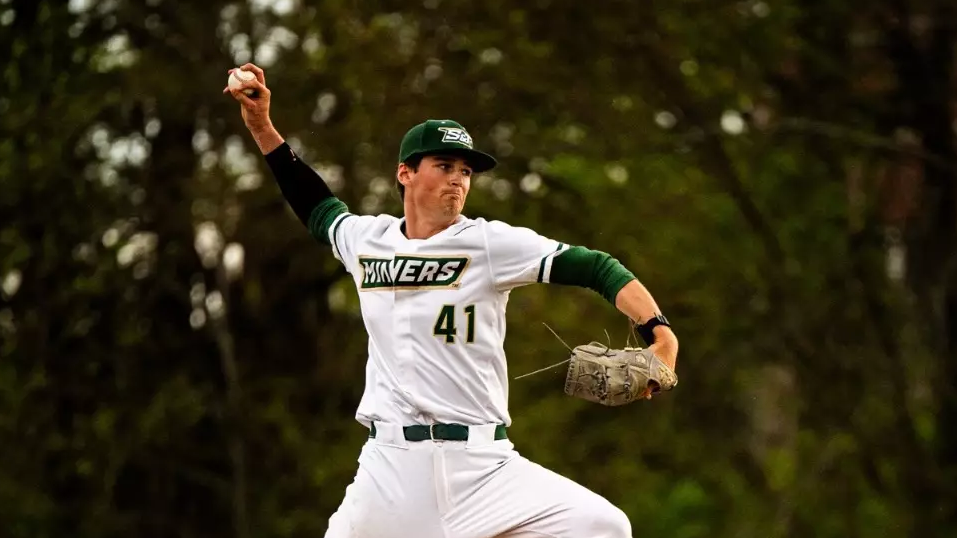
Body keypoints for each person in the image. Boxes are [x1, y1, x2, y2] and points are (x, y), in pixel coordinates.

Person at [225, 63, 679, 538]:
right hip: (392, 469)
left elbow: (595, 266)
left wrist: (659, 333)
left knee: (603, 527)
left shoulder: (489, 244)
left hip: (484, 466)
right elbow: (313, 203)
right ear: (405, 173)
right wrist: (262, 127)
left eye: (465, 171)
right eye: (444, 166)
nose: (458, 180)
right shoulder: (367, 241)